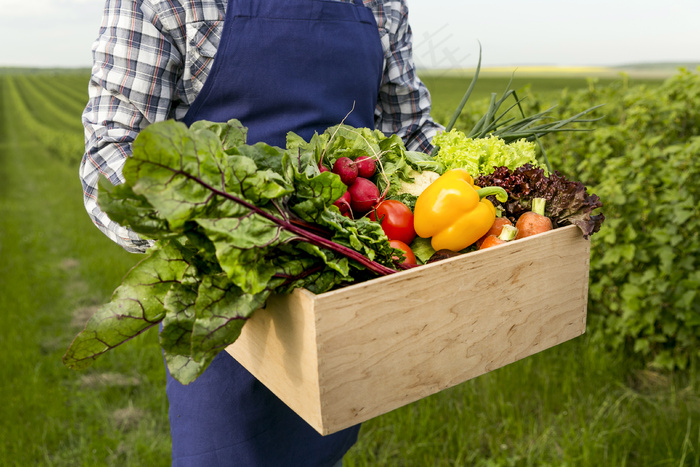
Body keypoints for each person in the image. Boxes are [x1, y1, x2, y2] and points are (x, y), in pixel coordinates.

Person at [79, 0, 442, 465]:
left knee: (324, 441)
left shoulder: (381, 4)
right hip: (226, 306)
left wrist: (491, 186)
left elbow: (409, 132)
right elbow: (111, 154)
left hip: (342, 289)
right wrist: (231, 233)